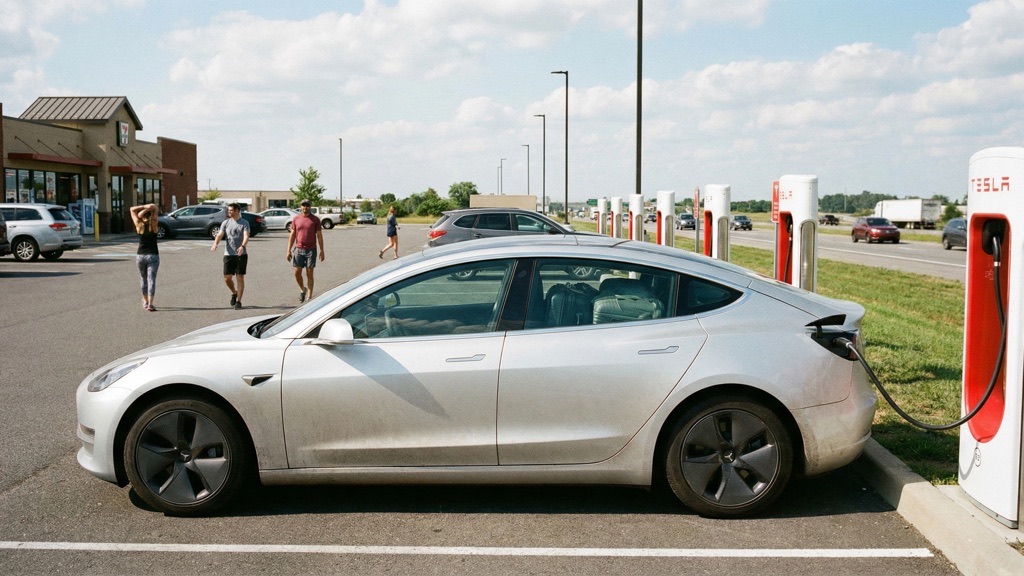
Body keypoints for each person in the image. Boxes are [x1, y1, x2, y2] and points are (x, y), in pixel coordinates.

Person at [210, 202, 250, 309]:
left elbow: (246, 236)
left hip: (241, 254)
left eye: (231, 210)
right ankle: (234, 292)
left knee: (240, 277)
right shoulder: (225, 223)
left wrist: (242, 246)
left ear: (237, 211)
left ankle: (239, 301)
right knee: (227, 278)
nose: (229, 212)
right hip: (228, 254)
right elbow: (219, 234)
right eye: (229, 210)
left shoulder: (244, 223)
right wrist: (215, 243)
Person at [286, 199, 324, 303]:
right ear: (301, 206)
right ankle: (303, 289)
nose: (305, 207)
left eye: (307, 205)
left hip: (311, 249)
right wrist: (288, 250)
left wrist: (322, 250)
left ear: (310, 207)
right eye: (303, 205)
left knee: (309, 272)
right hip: (298, 249)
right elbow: (292, 235)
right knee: (297, 272)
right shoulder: (296, 219)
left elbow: (319, 236)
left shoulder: (315, 220)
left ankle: (309, 297)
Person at [129, 203, 160, 311]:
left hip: (140, 255)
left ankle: (145, 300)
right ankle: (150, 304)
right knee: (151, 279)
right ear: (151, 215)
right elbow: (155, 207)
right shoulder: (154, 224)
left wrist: (142, 209)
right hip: (153, 255)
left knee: (143, 278)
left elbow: (132, 209)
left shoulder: (139, 224)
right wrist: (148, 208)